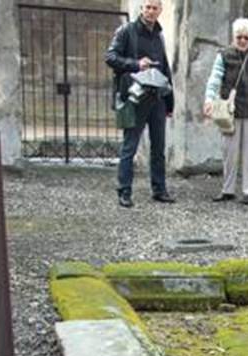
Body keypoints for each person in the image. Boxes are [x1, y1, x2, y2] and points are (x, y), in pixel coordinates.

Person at [105, 0, 175, 208]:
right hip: (135, 98)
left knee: (159, 148)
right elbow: (110, 57)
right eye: (148, 7)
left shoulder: (159, 34)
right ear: (142, 8)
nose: (151, 11)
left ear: (160, 10)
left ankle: (159, 189)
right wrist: (136, 64)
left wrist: (169, 102)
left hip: (157, 98)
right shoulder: (127, 31)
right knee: (130, 147)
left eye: (155, 8)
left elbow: (165, 69)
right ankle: (124, 191)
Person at [202, 18, 248, 205]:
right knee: (229, 152)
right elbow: (214, 80)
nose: (242, 40)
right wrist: (209, 99)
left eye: (246, 37)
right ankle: (228, 190)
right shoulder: (223, 55)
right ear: (233, 37)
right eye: (239, 37)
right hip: (230, 110)